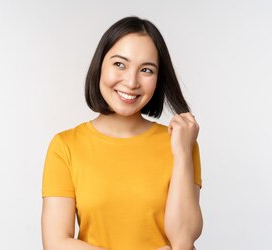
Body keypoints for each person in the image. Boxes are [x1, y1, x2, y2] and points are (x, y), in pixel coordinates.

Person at [41, 16, 203, 250]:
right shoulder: (65, 146)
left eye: (146, 70)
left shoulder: (181, 143)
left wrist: (182, 153)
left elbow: (183, 241)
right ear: (100, 65)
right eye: (119, 64)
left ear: (158, 79)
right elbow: (56, 244)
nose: (131, 81)